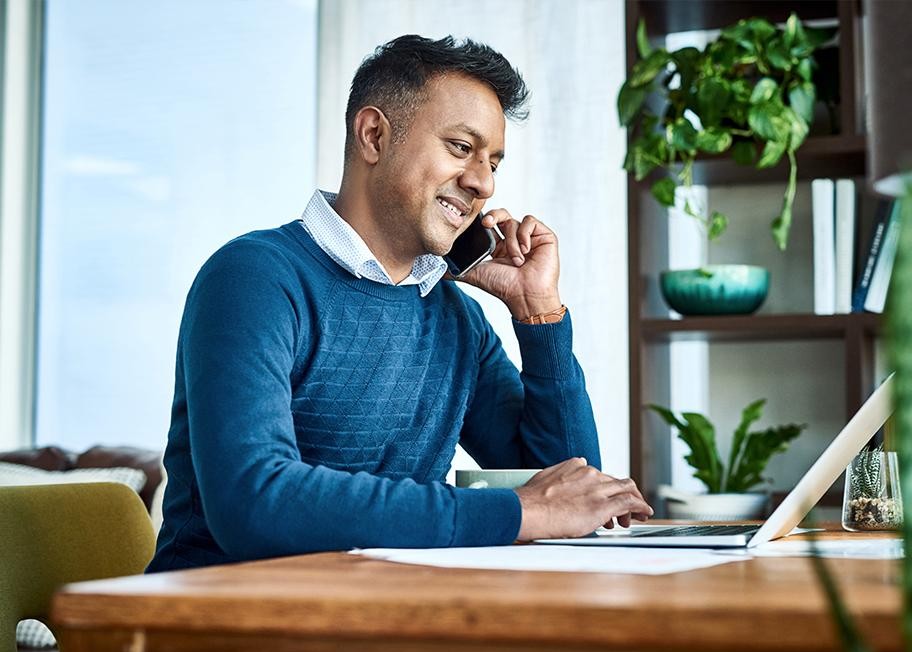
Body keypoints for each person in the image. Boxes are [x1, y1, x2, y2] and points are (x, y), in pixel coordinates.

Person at [147, 34, 652, 573]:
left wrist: (539, 314)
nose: (482, 182)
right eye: (461, 147)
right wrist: (517, 511)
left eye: (493, 163)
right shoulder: (255, 278)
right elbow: (255, 502)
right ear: (374, 136)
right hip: (217, 625)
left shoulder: (455, 316)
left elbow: (566, 492)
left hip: (383, 615)